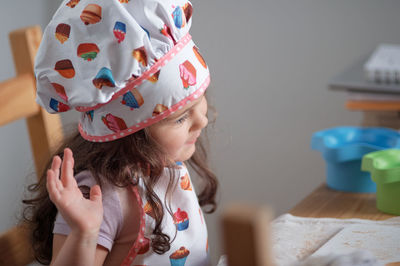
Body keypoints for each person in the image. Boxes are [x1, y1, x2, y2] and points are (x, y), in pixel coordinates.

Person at [22, 0, 218, 265]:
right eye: (181, 118)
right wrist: (84, 233)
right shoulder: (100, 197)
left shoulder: (162, 162)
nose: (201, 121)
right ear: (132, 134)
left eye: (199, 101)